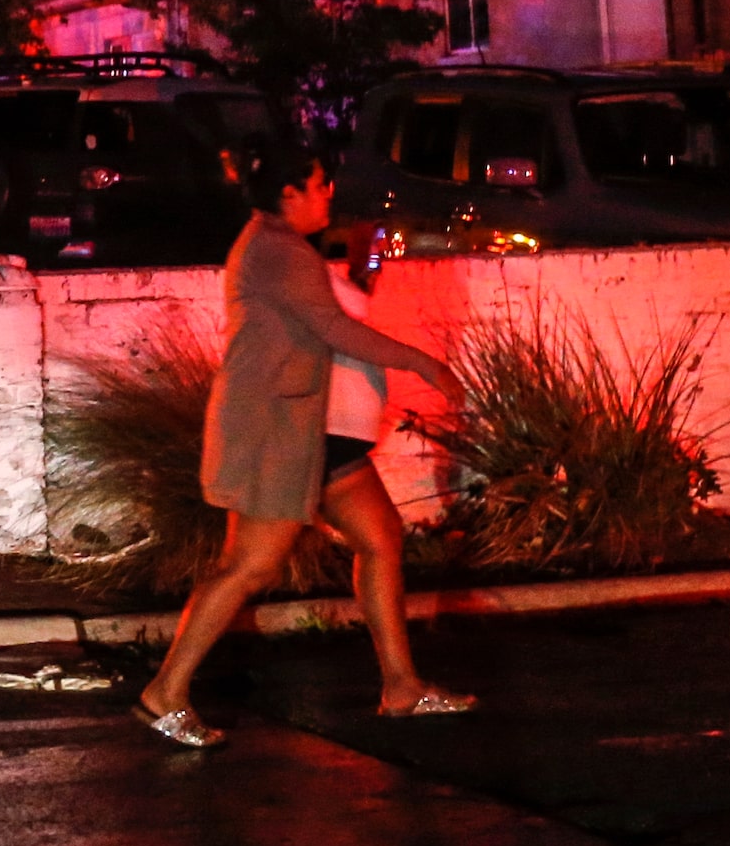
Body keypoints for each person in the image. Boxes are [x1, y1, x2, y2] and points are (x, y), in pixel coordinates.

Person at [134, 141, 475, 749]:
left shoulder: (277, 246)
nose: (329, 194)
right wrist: (423, 363)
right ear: (287, 194)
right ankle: (165, 692)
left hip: (307, 430)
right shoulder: (278, 251)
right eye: (319, 185)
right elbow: (336, 329)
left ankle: (401, 687)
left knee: (379, 537)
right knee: (250, 566)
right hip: (274, 431)